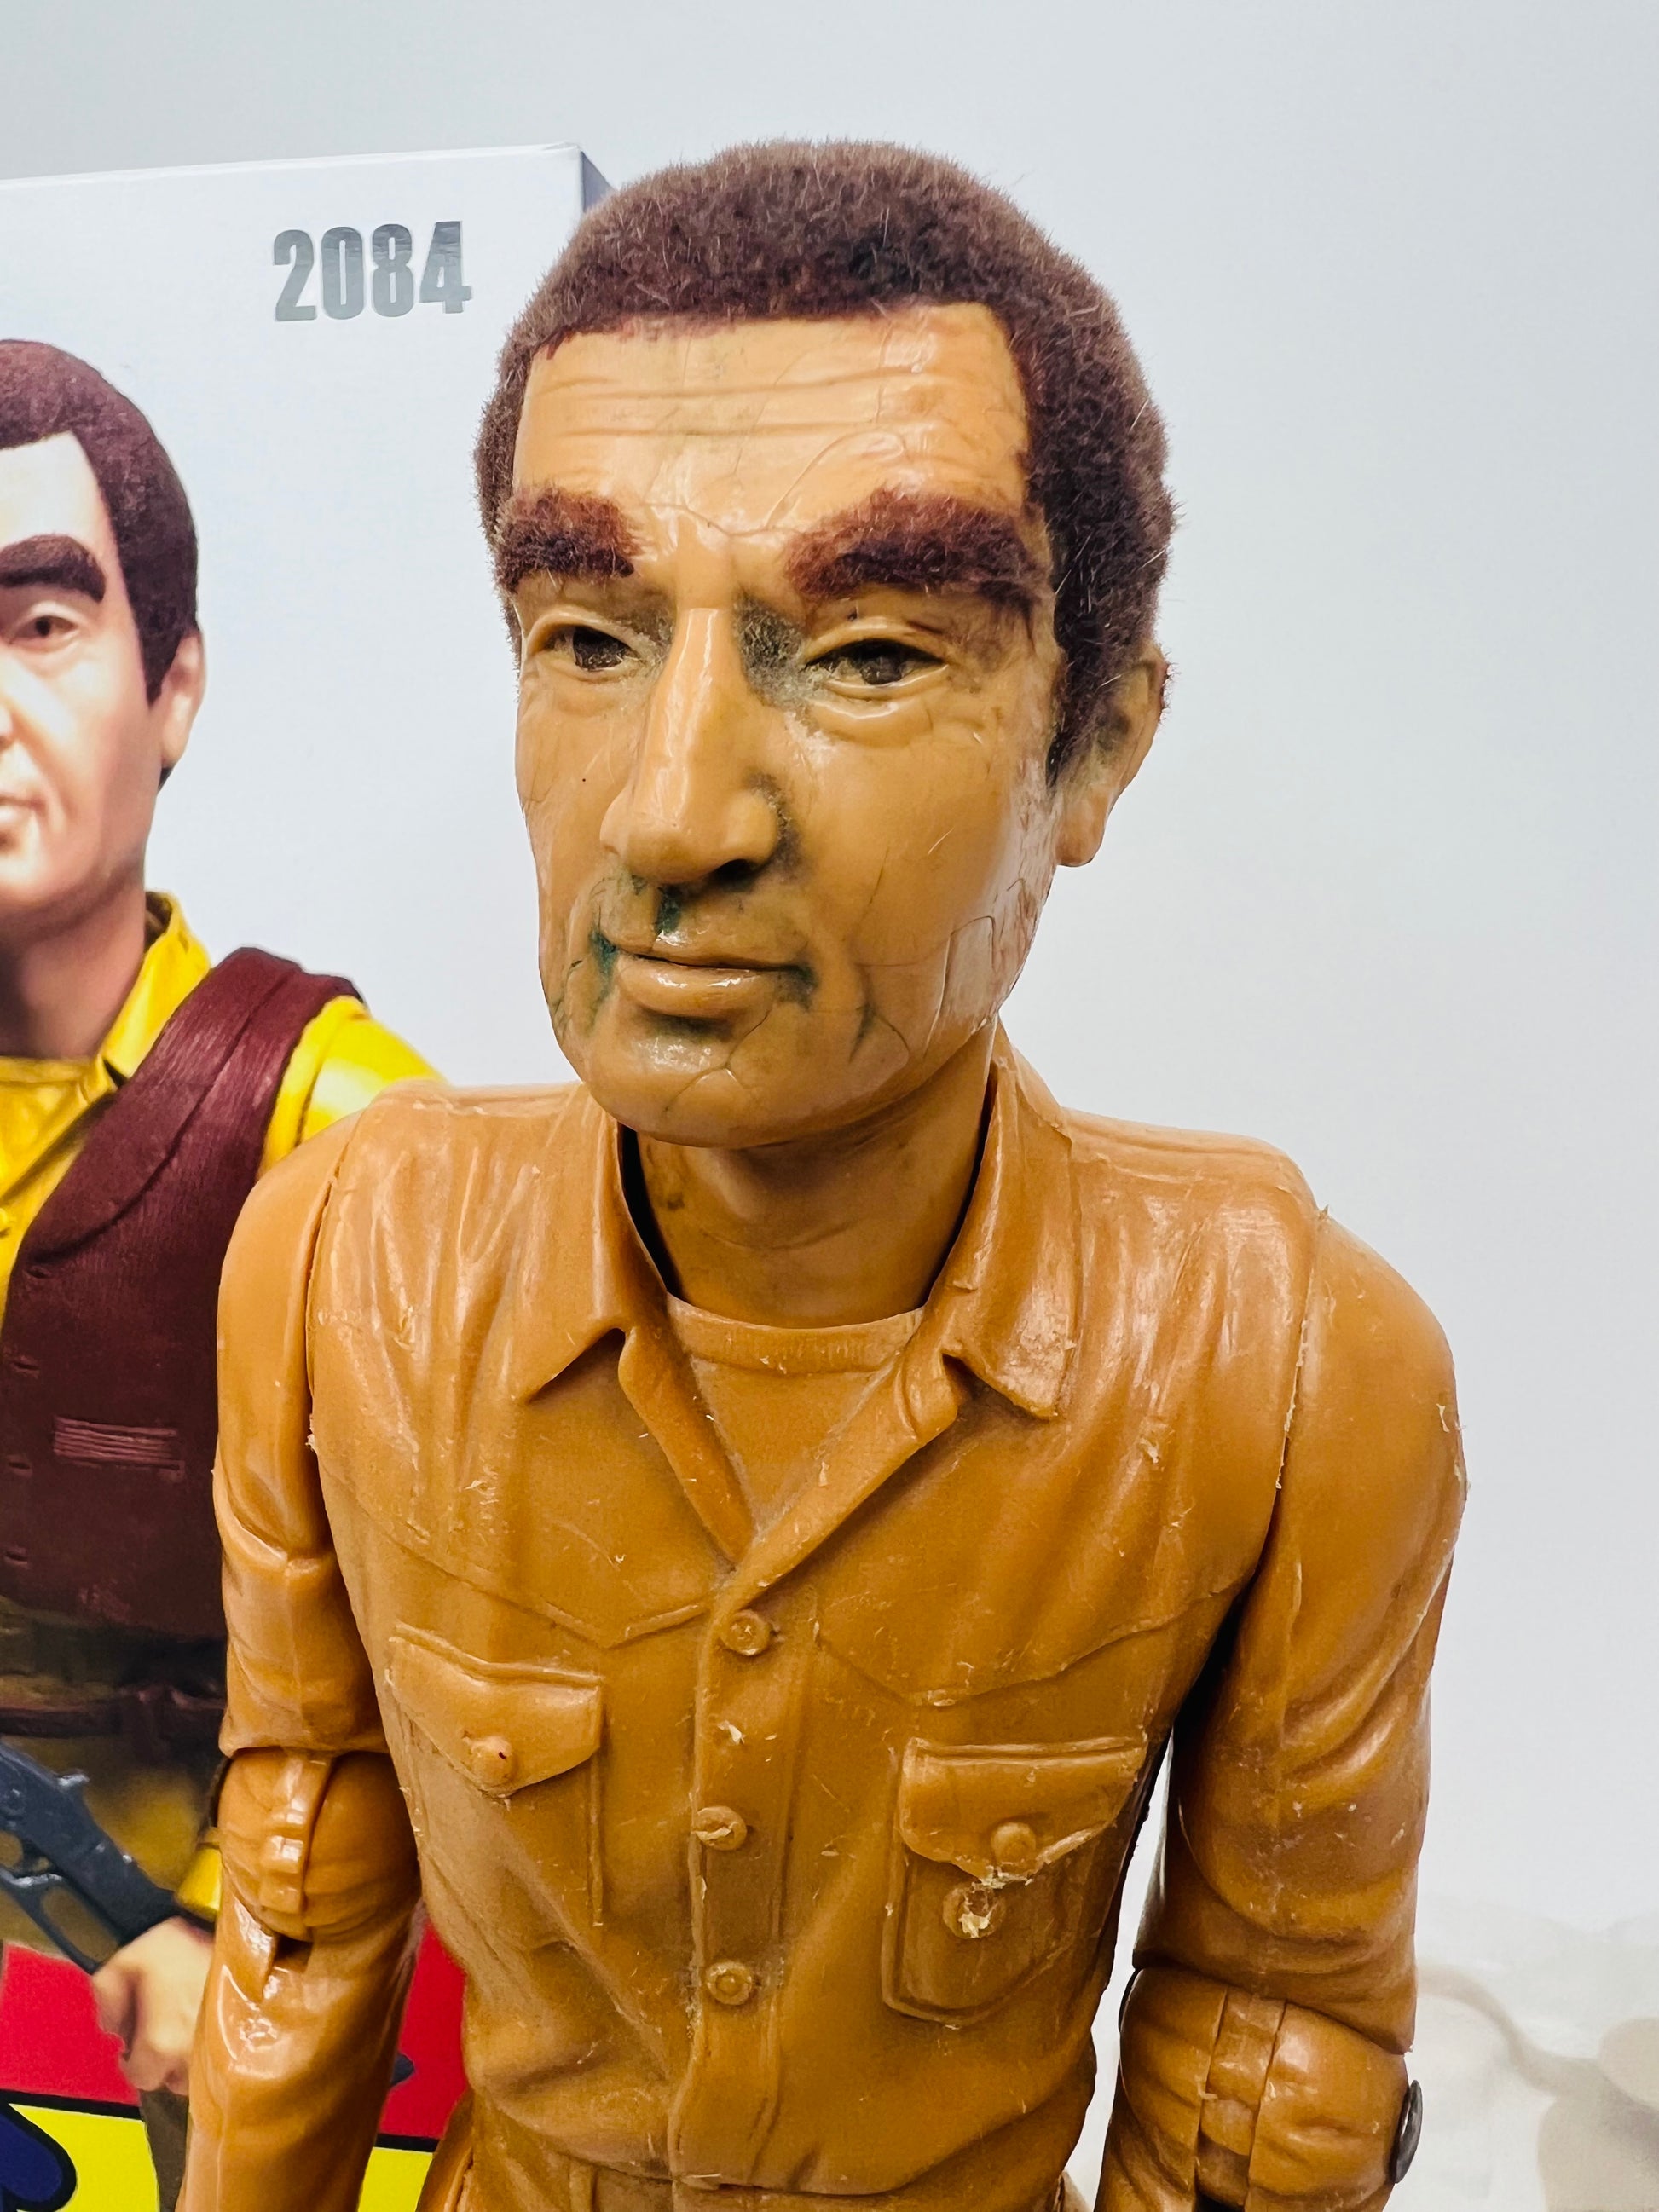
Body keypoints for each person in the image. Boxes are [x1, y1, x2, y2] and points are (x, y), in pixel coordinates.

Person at [182, 145, 1465, 2212]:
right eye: (587, 634)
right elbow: (298, 1914)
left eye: (867, 651)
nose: (670, 814)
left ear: (1096, 746)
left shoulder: (1290, 1368)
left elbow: (1266, 2051)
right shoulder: (343, 1268)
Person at [0, 340, 434, 2204]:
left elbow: (455, 1638)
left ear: (171, 684)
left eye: (39, 625)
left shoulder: (331, 1124)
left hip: (200, 1945)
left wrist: (246, 1928)